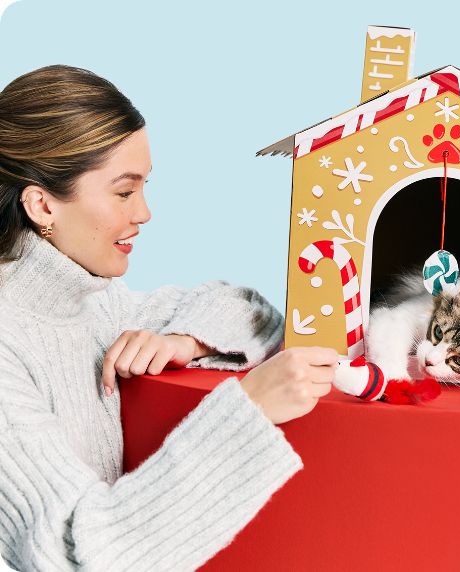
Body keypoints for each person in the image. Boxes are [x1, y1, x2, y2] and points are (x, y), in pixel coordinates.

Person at [0, 64, 337, 571]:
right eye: (123, 191)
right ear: (42, 205)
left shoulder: (97, 301)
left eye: (144, 187)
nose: (144, 212)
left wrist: (186, 338)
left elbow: (252, 310)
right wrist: (247, 412)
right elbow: (72, 559)